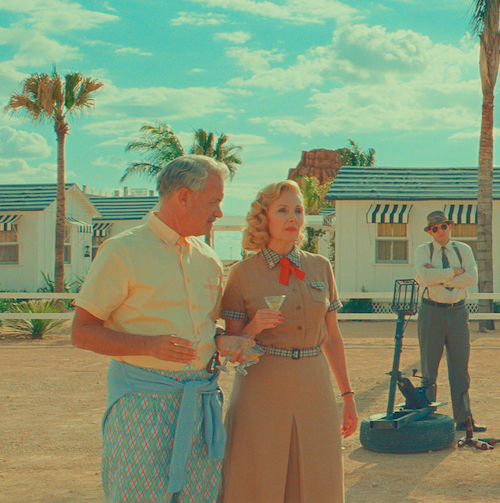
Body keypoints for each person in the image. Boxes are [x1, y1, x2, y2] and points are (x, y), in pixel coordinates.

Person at [72, 155, 249, 503]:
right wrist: (148, 345)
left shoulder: (209, 259)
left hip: (200, 402)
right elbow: (81, 331)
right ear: (184, 196)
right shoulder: (122, 251)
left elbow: (204, 327)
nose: (219, 213)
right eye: (215, 201)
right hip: (141, 403)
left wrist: (222, 341)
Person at [218, 180, 356, 502]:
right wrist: (253, 327)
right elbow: (232, 348)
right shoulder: (241, 274)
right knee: (258, 474)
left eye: (298, 210)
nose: (292, 217)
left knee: (318, 473)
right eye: (282, 210)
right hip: (261, 387)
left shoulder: (320, 266)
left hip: (314, 385)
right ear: (263, 216)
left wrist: (348, 395)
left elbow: (333, 338)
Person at [414, 210, 482, 432]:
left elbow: (472, 278)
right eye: (435, 228)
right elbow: (425, 277)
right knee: (429, 369)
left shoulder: (463, 250)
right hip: (431, 312)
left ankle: (464, 420)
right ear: (430, 232)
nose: (440, 231)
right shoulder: (423, 251)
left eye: (443, 226)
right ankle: (427, 421)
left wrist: (440, 277)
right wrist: (454, 272)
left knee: (460, 368)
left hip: (457, 313)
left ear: (449, 227)